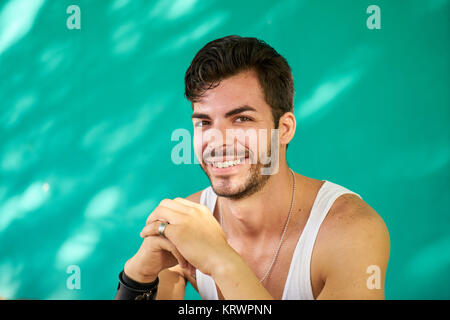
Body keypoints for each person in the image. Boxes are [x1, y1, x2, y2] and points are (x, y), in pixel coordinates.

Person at [114, 35, 390, 300]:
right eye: (204, 122)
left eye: (242, 119)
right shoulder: (189, 222)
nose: (218, 141)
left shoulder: (351, 230)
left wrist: (221, 261)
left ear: (284, 129)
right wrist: (138, 276)